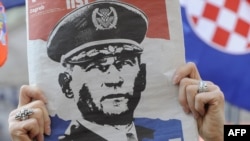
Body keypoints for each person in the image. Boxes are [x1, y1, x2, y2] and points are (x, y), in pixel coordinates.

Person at [8, 1, 225, 141]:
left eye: (125, 62)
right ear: (66, 83)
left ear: (141, 75)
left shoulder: (171, 130)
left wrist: (219, 135)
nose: (115, 79)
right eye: (95, 66)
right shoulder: (48, 134)